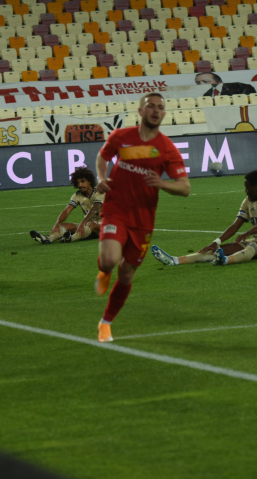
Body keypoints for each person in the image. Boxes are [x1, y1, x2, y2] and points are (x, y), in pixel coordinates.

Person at [94, 92, 190, 343]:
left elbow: (185, 188)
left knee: (126, 274)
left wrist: (162, 183)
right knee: (110, 260)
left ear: (164, 114)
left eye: (160, 107)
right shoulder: (121, 137)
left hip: (143, 218)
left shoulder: (167, 148)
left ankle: (105, 323)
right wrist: (101, 178)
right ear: (140, 111)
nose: (156, 110)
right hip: (116, 207)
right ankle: (104, 271)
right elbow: (102, 158)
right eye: (151, 106)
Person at [151, 170, 257, 267]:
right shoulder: (248, 201)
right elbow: (235, 226)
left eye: (247, 188)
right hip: (256, 240)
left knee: (253, 246)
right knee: (217, 250)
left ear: (256, 188)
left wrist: (249, 232)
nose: (245, 191)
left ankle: (225, 261)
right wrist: (216, 241)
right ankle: (175, 260)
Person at [30, 167, 104, 244]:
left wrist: (83, 223)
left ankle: (71, 238)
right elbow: (66, 211)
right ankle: (48, 239)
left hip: (104, 227)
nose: (80, 185)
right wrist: (57, 224)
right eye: (78, 183)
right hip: (87, 226)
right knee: (65, 225)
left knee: (93, 223)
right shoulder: (77, 196)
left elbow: (95, 209)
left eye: (82, 181)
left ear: (90, 181)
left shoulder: (100, 192)